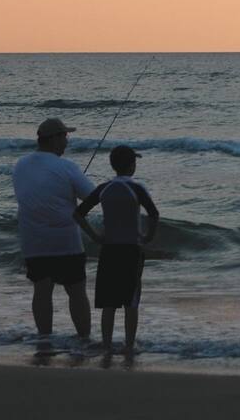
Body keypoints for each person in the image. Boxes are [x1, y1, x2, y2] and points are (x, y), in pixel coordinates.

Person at [12, 118, 96, 345]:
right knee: (76, 292)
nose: (67, 142)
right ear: (55, 138)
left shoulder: (20, 165)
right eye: (65, 137)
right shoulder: (67, 167)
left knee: (42, 290)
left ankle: (44, 338)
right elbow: (92, 196)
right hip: (65, 241)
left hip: (33, 241)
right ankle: (84, 340)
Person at [74, 145, 159, 354]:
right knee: (131, 301)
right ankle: (130, 345)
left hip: (109, 250)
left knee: (109, 301)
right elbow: (154, 214)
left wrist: (95, 236)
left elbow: (78, 213)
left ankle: (106, 344)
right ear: (132, 166)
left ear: (113, 165)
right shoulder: (137, 188)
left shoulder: (104, 188)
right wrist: (147, 236)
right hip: (131, 250)